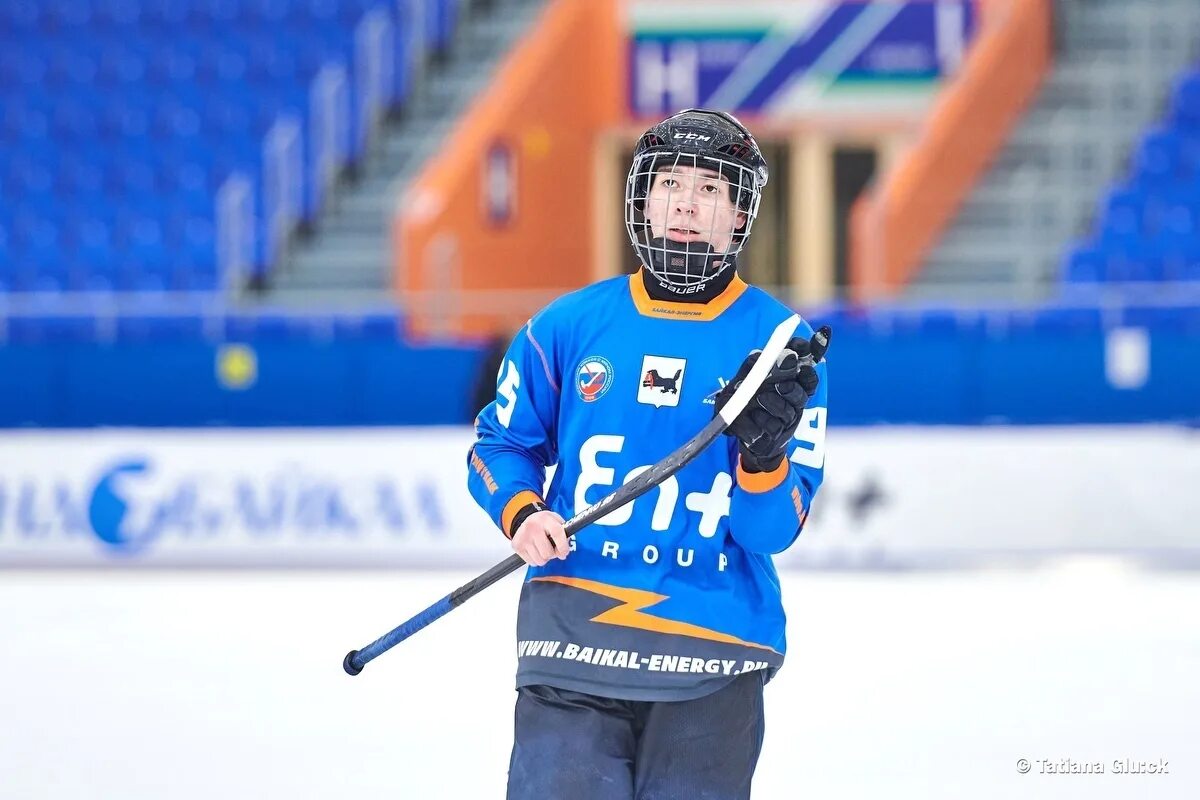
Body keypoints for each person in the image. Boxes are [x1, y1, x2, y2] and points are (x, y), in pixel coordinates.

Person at [467, 108, 830, 800]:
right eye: (670, 182)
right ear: (642, 198)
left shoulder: (783, 346)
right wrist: (520, 510)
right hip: (572, 641)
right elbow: (500, 444)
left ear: (738, 214)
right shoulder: (567, 326)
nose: (687, 203)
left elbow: (769, 531)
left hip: (713, 652)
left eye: (712, 189)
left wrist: (763, 458)